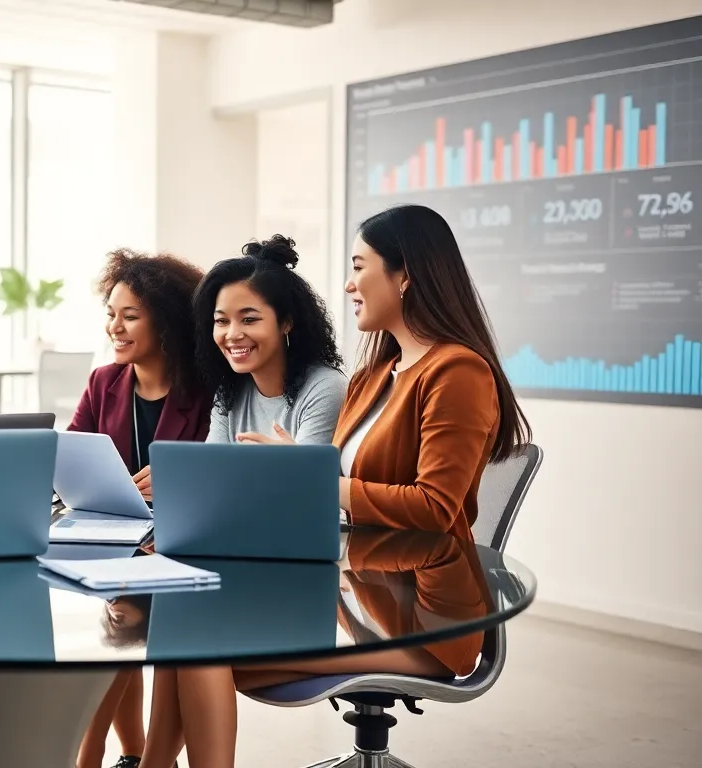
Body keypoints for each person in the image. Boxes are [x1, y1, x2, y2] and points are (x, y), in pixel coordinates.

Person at [137, 204, 531, 768]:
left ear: (405, 276)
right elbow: (335, 491)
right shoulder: (378, 371)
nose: (348, 283)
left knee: (197, 646)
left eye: (359, 266)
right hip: (360, 598)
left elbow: (435, 509)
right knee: (182, 635)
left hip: (425, 624)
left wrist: (305, 472)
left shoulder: (457, 371)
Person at [67, 248, 210, 768]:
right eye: (110, 313)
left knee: (121, 612)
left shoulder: (205, 390)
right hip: (116, 543)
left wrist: (173, 487)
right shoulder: (106, 382)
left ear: (166, 322)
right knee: (116, 607)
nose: (115, 327)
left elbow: (217, 477)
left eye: (130, 315)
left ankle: (100, 755)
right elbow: (73, 450)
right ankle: (128, 754)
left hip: (182, 551)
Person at [194, 235, 346, 447]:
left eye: (249, 319)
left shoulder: (325, 388)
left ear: (286, 322)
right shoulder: (229, 391)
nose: (232, 334)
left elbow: (310, 476)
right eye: (221, 321)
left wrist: (285, 463)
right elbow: (212, 469)